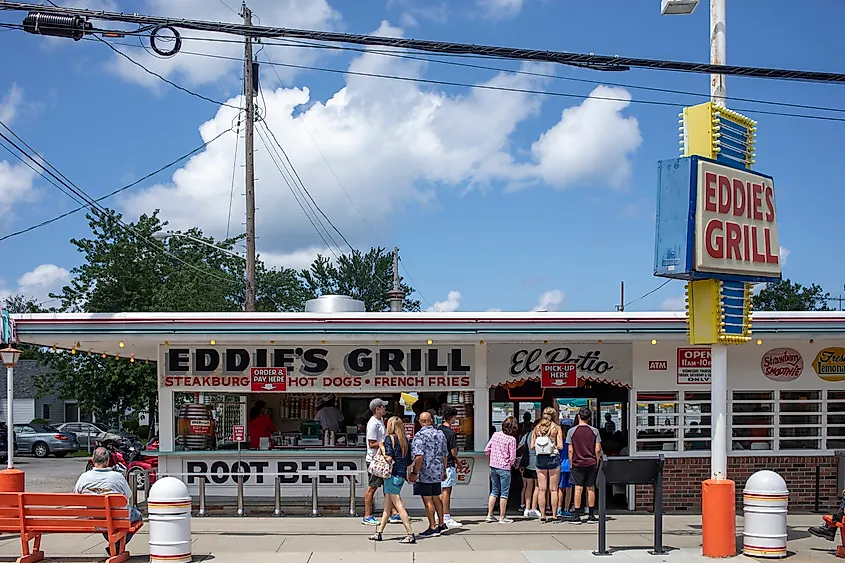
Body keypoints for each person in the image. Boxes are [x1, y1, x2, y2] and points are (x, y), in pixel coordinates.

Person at [74, 446, 143, 555]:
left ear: (93, 460)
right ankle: (116, 545)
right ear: (107, 460)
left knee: (106, 521)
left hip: (96, 518)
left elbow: (76, 496)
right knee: (138, 516)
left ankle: (115, 544)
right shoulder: (117, 477)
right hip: (117, 518)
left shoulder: (84, 477)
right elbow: (128, 495)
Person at [369, 416, 416, 544]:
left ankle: (410, 534)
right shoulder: (405, 440)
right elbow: (409, 461)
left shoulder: (389, 439)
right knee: (387, 507)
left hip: (391, 475)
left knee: (398, 505)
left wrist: (382, 447)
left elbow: (389, 458)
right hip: (400, 475)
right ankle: (379, 532)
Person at [410, 411, 448, 538]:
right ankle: (441, 523)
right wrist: (444, 470)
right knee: (436, 497)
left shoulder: (419, 436)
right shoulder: (440, 434)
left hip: (425, 472)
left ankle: (433, 527)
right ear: (431, 420)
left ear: (420, 422)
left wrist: (414, 472)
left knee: (427, 500)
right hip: (437, 471)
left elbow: (419, 456)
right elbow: (445, 454)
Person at [566, 406, 602, 524]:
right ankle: (591, 515)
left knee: (578, 488)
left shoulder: (571, 431)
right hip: (591, 462)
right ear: (589, 418)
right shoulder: (595, 431)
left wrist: (571, 463)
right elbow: (598, 449)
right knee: (591, 488)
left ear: (578, 416)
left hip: (577, 462)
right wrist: (597, 461)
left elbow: (570, 450)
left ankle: (577, 515)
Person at [531, 406, 563, 523]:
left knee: (542, 489)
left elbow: (532, 446)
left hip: (540, 459)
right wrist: (552, 445)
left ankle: (543, 515)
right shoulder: (557, 428)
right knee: (553, 489)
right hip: (553, 458)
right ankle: (554, 515)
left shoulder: (536, 428)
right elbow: (561, 446)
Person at [485, 416, 518, 524]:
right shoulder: (511, 439)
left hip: (493, 466)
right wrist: (509, 463)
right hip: (504, 468)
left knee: (494, 491)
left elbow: (487, 449)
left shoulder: (496, 435)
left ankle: (489, 515)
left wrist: (493, 455)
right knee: (504, 493)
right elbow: (512, 457)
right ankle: (502, 517)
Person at [363, 398, 389, 525]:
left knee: (388, 488)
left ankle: (392, 512)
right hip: (375, 460)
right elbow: (372, 443)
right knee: (372, 487)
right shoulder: (373, 423)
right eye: (383, 407)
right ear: (377, 409)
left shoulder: (380, 420)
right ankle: (367, 515)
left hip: (382, 460)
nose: (385, 409)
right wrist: (385, 443)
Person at [438, 406, 462, 529]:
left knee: (440, 491)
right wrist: (456, 456)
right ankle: (446, 516)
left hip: (438, 464)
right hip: (448, 464)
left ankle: (439, 514)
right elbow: (453, 452)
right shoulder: (451, 433)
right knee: (446, 491)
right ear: (452, 417)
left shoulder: (438, 429)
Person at [518, 421, 541, 518]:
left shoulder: (526, 435)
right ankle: (533, 508)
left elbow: (519, 447)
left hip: (527, 463)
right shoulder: (540, 436)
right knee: (537, 486)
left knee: (528, 486)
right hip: (538, 462)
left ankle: (526, 508)